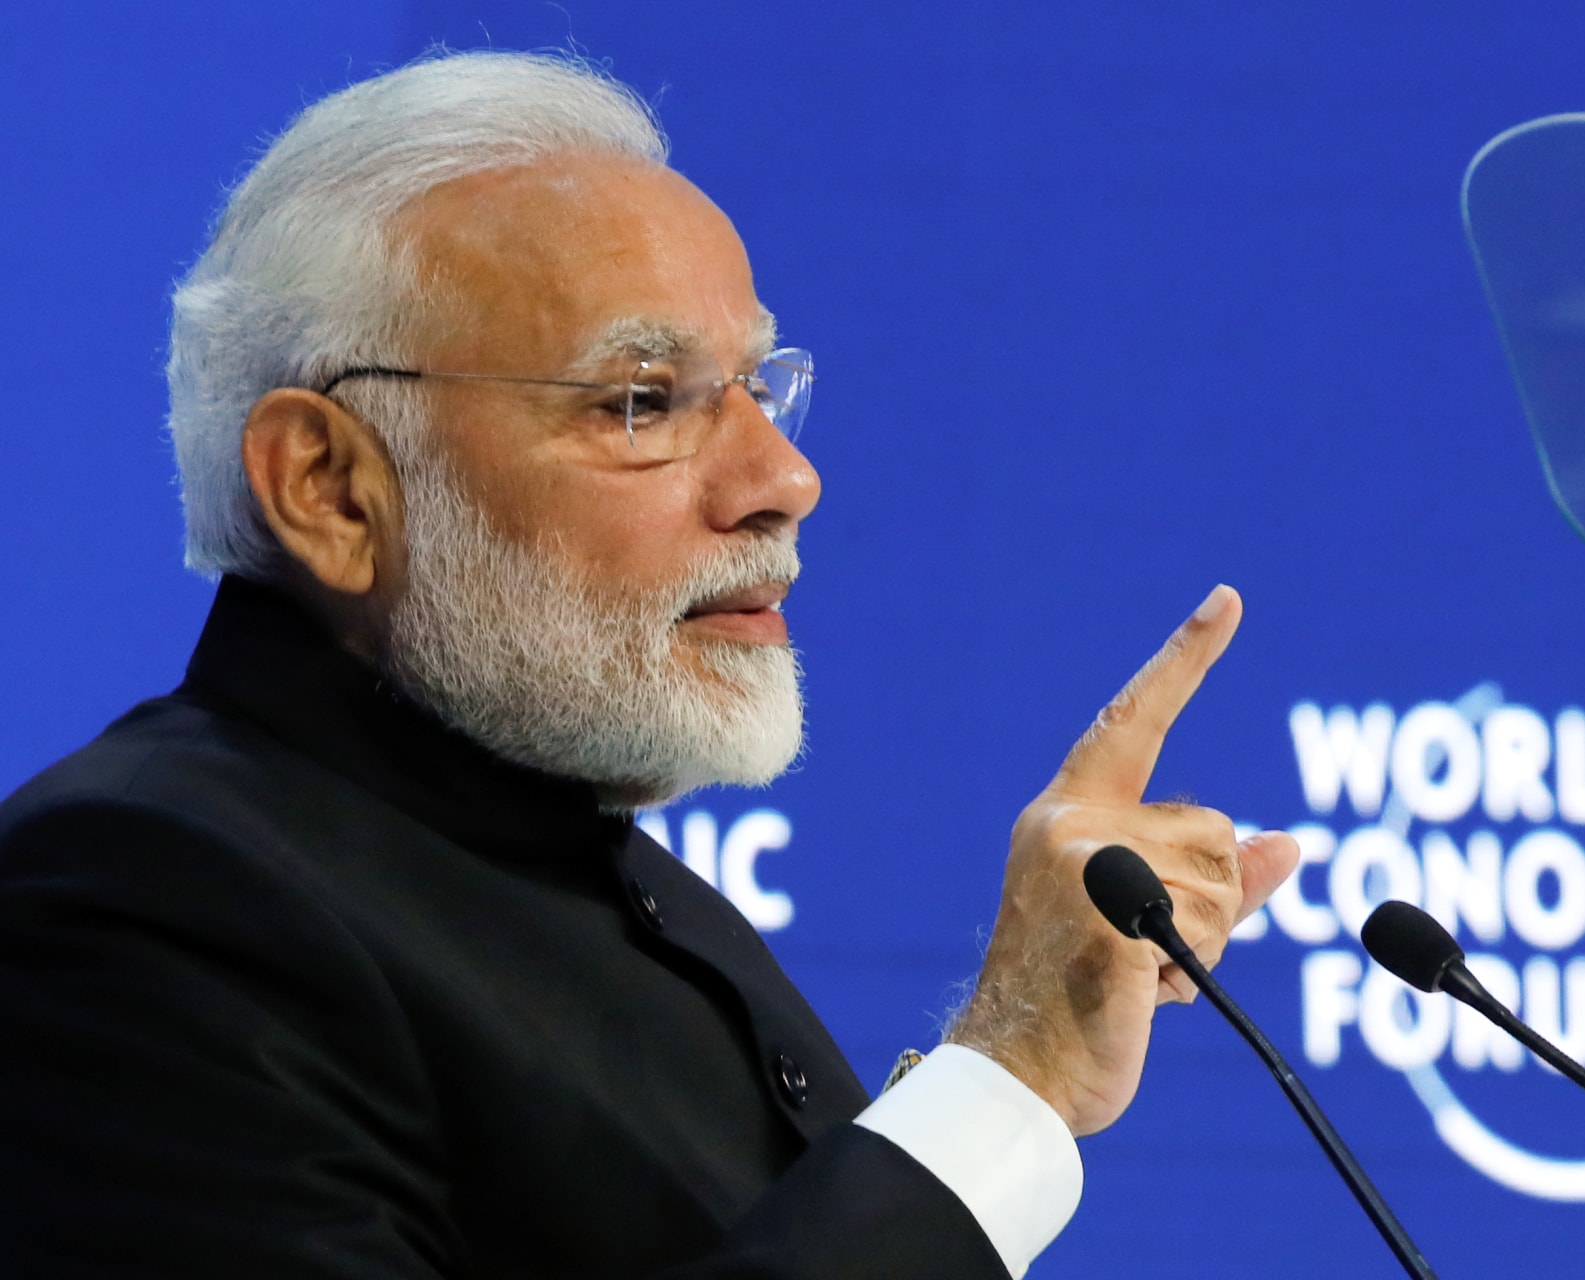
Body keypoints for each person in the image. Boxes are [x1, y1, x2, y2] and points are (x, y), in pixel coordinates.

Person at [0, 50, 1298, 1277]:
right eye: (640, 400)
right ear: (330, 487)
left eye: (758, 388)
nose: (784, 479)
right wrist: (1011, 1079)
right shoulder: (138, 905)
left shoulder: (609, 884)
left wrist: (1016, 1078)